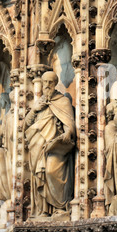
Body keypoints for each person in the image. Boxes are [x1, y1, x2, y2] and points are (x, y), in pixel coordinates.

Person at [25, 71, 76, 219]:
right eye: (45, 82)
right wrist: (34, 110)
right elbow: (26, 125)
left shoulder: (63, 101)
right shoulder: (39, 102)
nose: (47, 85)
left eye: (50, 82)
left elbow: (69, 123)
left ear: (55, 84)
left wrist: (68, 132)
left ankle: (61, 207)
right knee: (39, 176)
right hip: (37, 145)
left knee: (52, 171)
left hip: (56, 147)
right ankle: (44, 210)